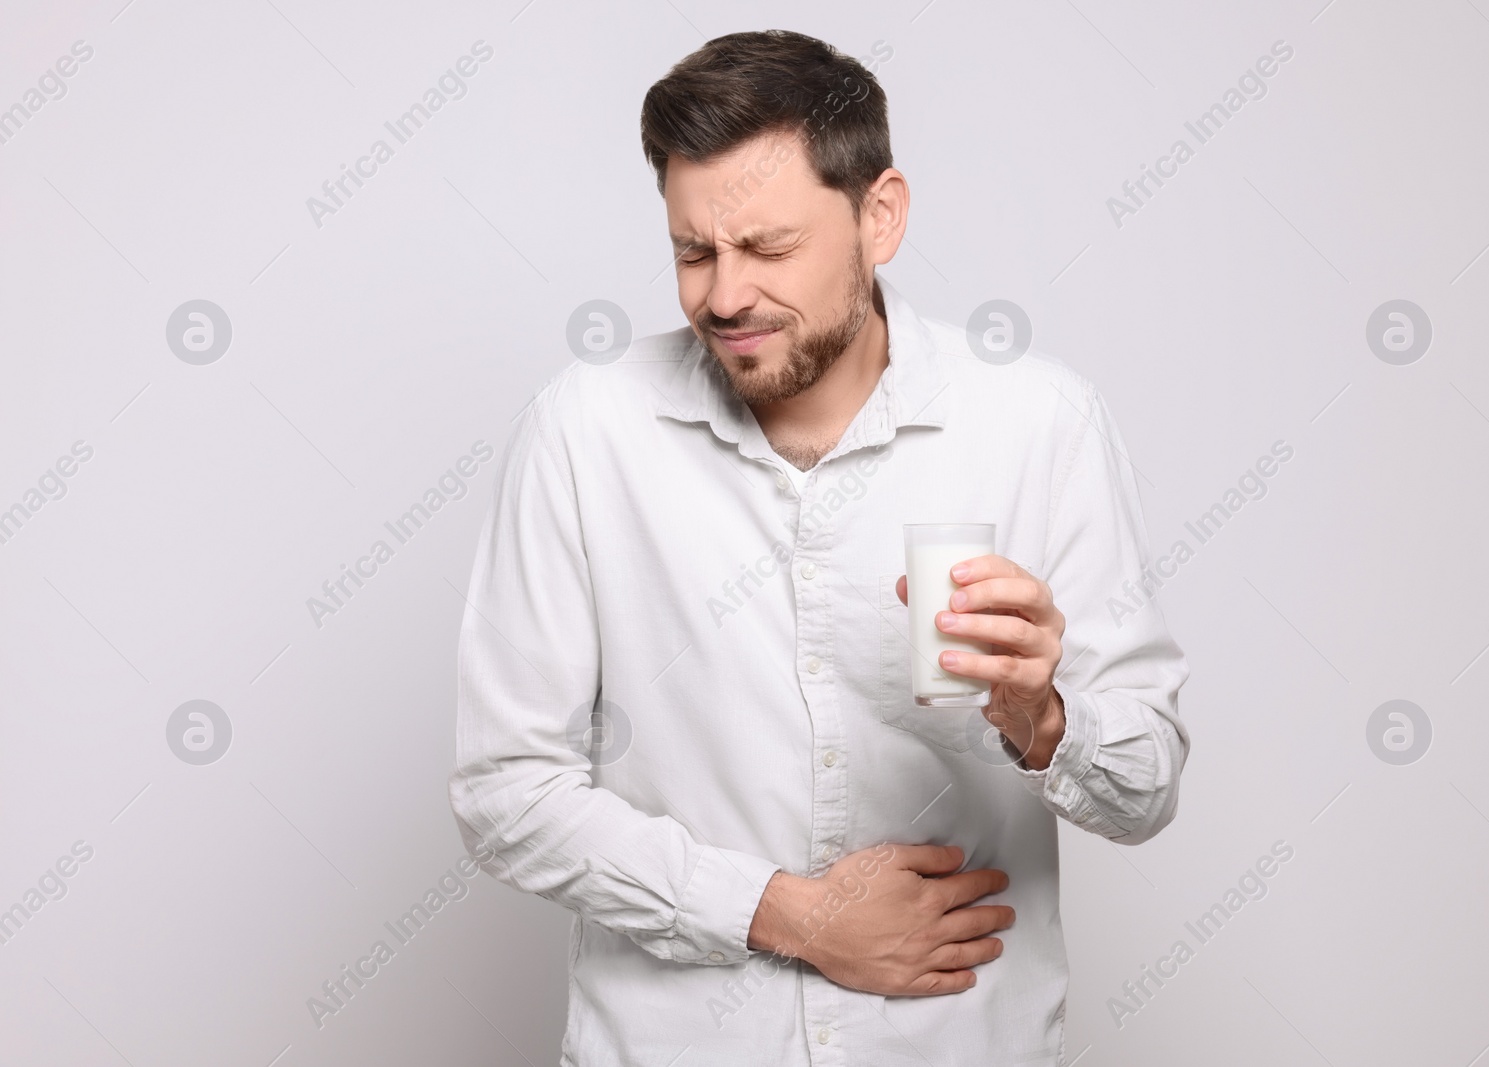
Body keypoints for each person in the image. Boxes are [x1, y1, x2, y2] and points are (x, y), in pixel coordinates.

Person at [448, 28, 1189, 1066]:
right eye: (692, 251)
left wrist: (1042, 716)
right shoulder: (586, 431)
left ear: (878, 217)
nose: (723, 296)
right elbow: (505, 791)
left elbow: (1146, 786)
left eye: (767, 247)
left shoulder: (1039, 425)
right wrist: (789, 913)